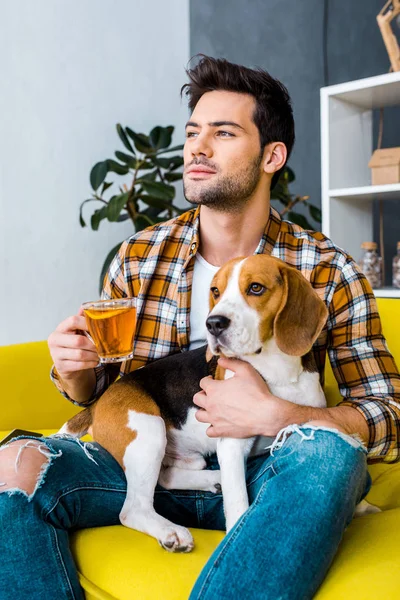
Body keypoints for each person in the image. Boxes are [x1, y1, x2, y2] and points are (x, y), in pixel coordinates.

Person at [1, 55, 400, 600]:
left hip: (270, 474)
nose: (197, 147)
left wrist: (284, 415)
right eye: (193, 132)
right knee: (10, 464)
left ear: (272, 156)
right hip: (147, 459)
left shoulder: (330, 271)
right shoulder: (139, 256)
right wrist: (73, 373)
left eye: (223, 132)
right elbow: (104, 396)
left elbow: (389, 415)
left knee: (331, 455)